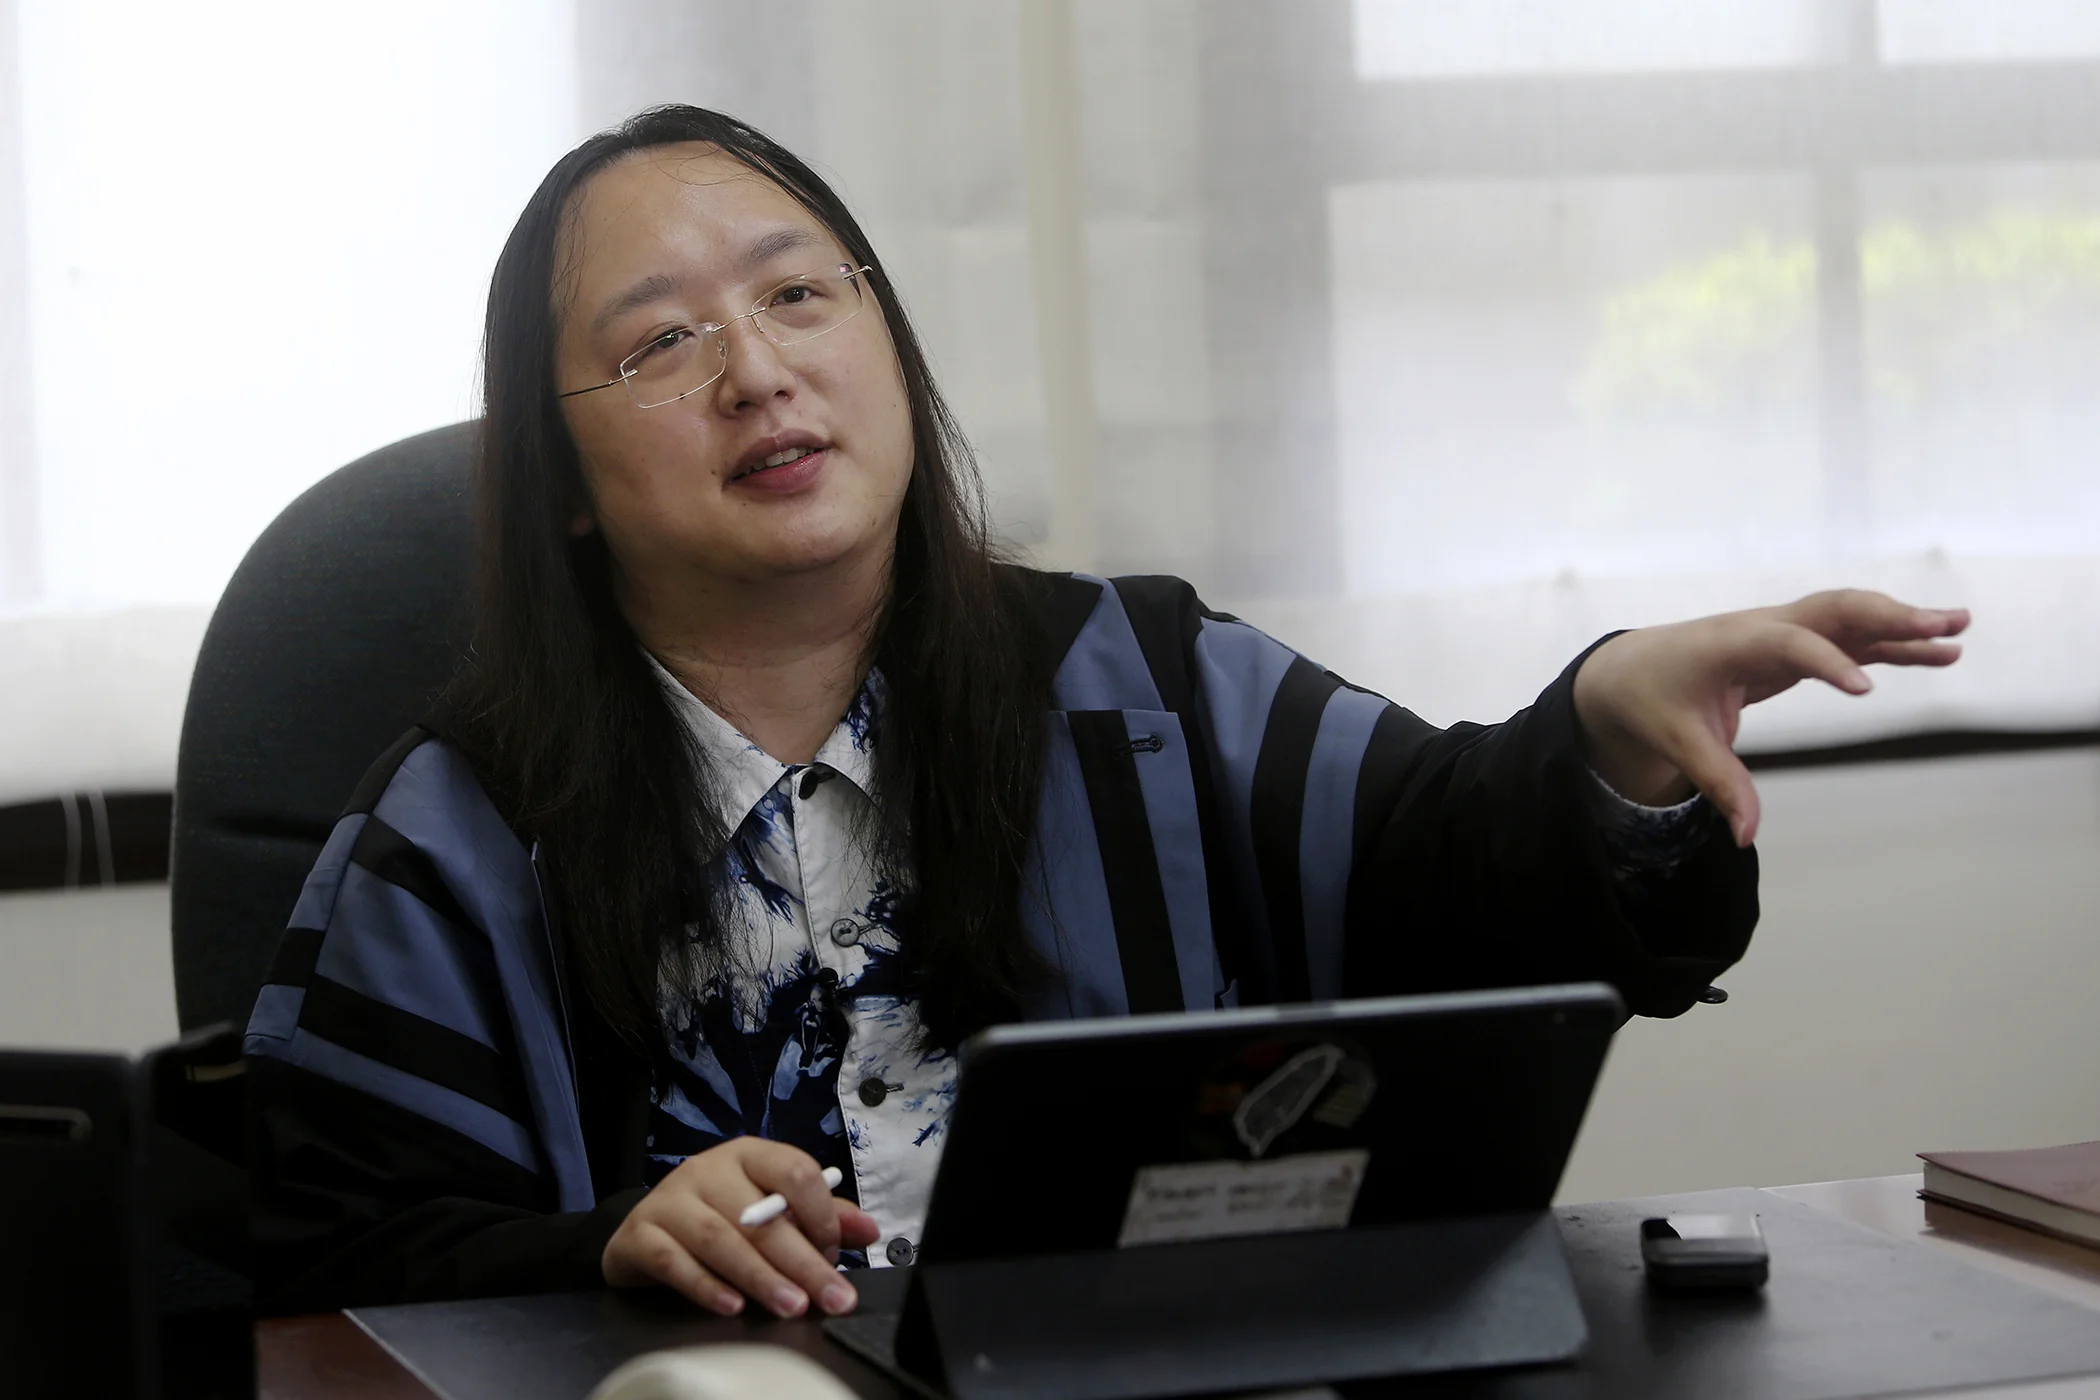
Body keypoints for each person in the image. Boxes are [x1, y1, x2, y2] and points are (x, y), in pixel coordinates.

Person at [243, 105, 1968, 1321]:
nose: (757, 370)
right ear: (558, 479)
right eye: (659, 344)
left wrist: (1598, 727)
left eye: (798, 294)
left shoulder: (1135, 682)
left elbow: (1450, 858)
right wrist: (608, 1243)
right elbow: (327, 1269)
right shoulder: (461, 832)